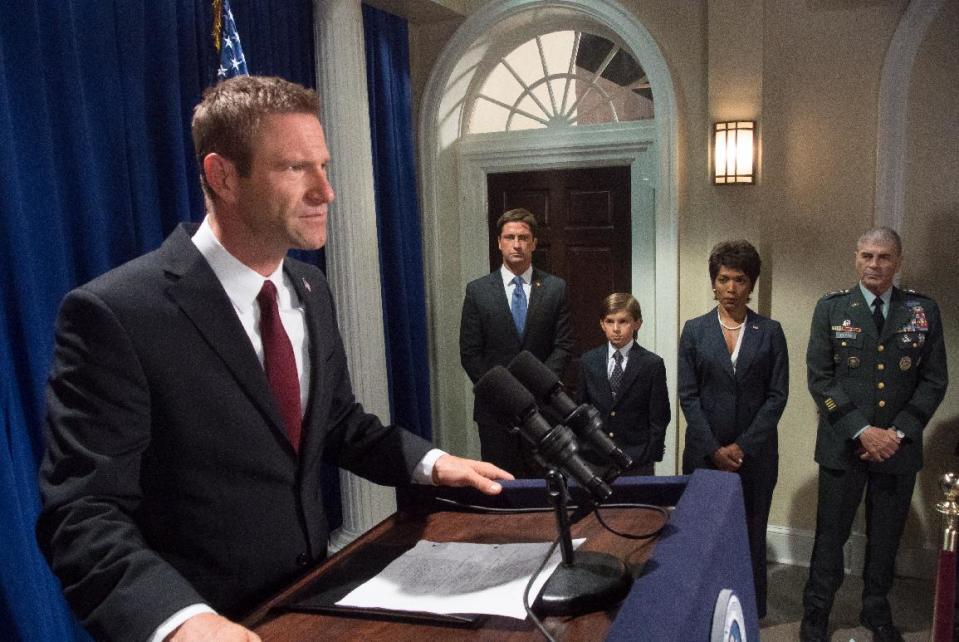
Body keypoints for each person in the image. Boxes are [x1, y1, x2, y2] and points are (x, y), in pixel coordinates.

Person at [36, 76, 512, 642]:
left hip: (309, 605)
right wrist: (182, 623)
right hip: (211, 623)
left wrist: (431, 463)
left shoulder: (309, 288)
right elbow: (83, 511)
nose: (325, 191)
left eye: (324, 166)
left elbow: (333, 425)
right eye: (294, 168)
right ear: (222, 176)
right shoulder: (117, 313)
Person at [800, 227, 947, 642]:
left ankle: (876, 611)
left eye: (883, 257)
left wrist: (896, 433)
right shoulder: (831, 308)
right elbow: (820, 378)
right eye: (866, 255)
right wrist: (862, 432)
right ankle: (816, 613)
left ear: (898, 261)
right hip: (843, 447)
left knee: (886, 537)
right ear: (855, 257)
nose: (874, 265)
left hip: (898, 450)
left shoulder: (922, 311)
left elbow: (934, 382)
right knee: (830, 536)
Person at [678, 239, 788, 620]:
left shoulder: (770, 331)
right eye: (723, 279)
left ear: (751, 284)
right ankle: (702, 606)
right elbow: (688, 396)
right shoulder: (694, 331)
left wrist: (742, 447)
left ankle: (752, 609)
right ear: (713, 282)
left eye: (739, 279)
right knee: (703, 534)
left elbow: (777, 396)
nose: (730, 288)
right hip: (704, 454)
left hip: (755, 457)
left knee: (751, 535)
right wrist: (714, 449)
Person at [459, 208, 573, 477]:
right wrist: (504, 394)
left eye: (524, 237)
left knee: (546, 489)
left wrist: (538, 388)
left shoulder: (555, 288)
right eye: (510, 237)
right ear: (499, 242)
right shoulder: (478, 291)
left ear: (533, 243)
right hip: (496, 414)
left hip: (543, 411)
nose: (517, 244)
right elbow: (470, 353)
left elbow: (564, 346)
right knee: (502, 489)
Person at [576, 293, 669, 476]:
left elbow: (659, 416)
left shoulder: (652, 364)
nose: (616, 328)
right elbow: (581, 409)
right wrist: (583, 448)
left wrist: (649, 454)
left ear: (637, 323)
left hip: (636, 460)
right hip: (595, 458)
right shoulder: (589, 361)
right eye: (610, 321)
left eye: (623, 321)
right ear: (602, 324)